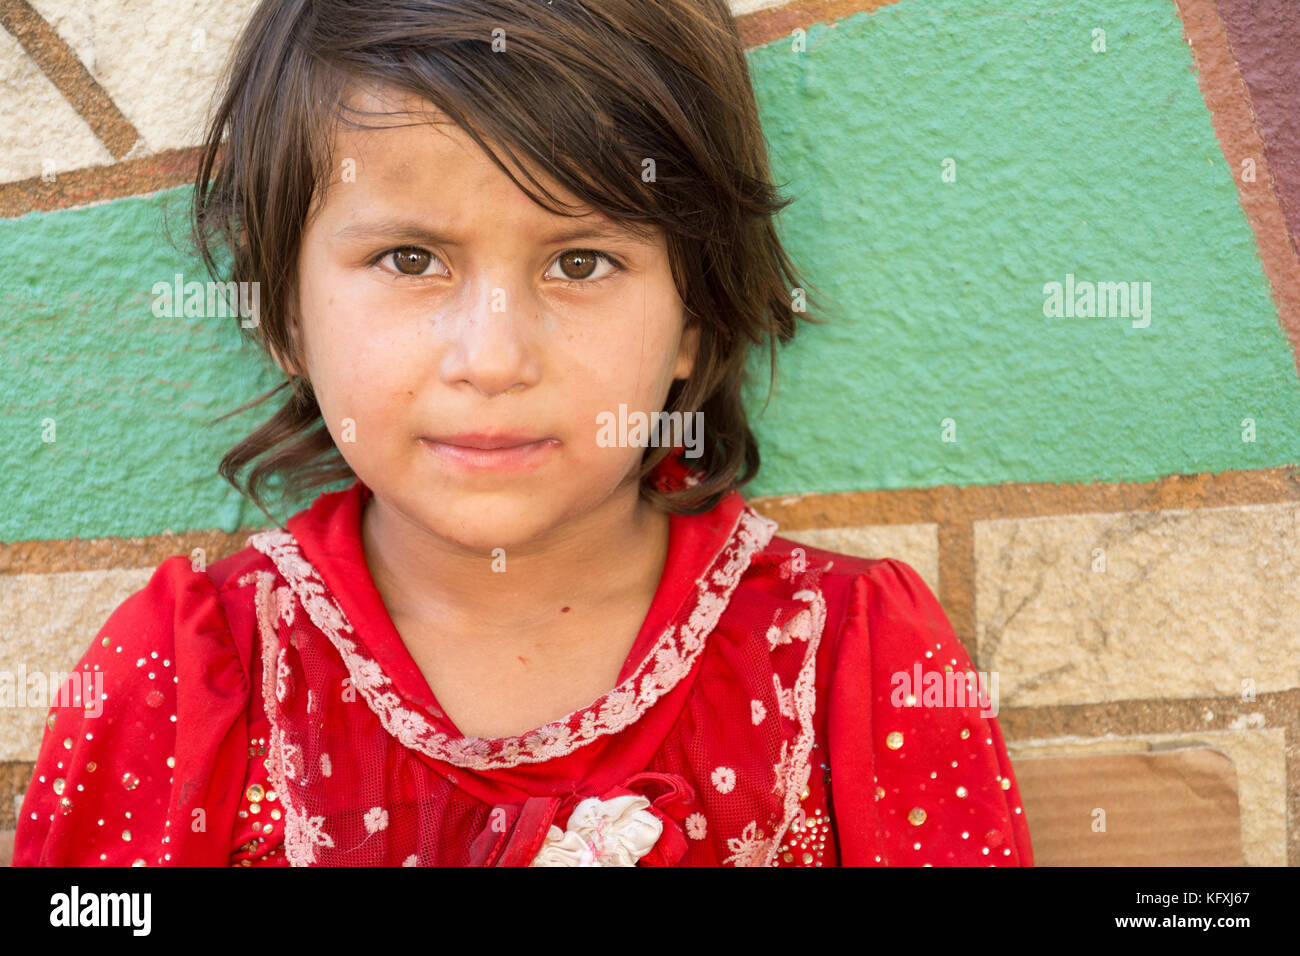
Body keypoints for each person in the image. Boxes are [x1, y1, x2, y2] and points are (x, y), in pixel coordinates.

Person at [14, 0, 1032, 867]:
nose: (493, 357)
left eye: (580, 262)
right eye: (411, 258)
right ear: (283, 309)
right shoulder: (199, 683)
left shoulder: (840, 661)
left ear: (693, 314)